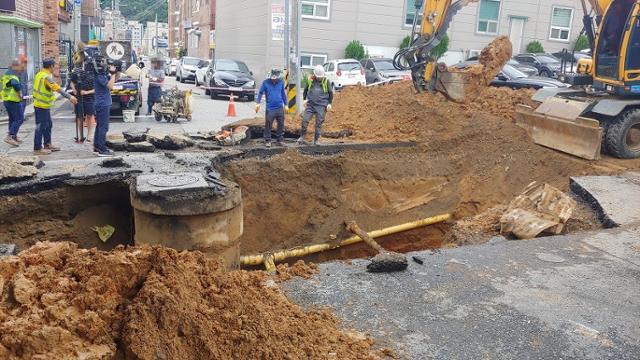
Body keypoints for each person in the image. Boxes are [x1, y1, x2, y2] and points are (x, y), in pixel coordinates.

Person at [32, 58, 77, 155]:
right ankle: (37, 148)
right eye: (55, 66)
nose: (55, 68)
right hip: (41, 105)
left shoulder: (39, 74)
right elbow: (56, 88)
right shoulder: (46, 77)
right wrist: (70, 97)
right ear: (51, 66)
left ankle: (48, 144)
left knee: (48, 125)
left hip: (42, 105)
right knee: (41, 127)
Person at [298, 65, 333, 145]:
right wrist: (304, 99)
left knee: (318, 123)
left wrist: (329, 103)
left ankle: (316, 140)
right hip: (310, 104)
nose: (319, 78)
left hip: (321, 105)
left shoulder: (326, 81)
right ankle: (302, 137)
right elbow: (305, 90)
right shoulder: (310, 80)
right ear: (315, 74)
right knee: (305, 120)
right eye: (318, 76)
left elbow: (330, 93)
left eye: (320, 76)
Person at [255, 68, 288, 147]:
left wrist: (286, 104)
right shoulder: (265, 83)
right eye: (273, 79)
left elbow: (283, 94)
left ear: (278, 77)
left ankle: (279, 139)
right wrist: (258, 103)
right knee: (268, 124)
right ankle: (267, 140)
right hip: (270, 108)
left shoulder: (280, 82)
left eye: (276, 79)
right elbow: (260, 93)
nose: (274, 80)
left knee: (281, 123)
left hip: (279, 107)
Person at [69, 53, 96, 143]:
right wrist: (75, 92)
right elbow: (72, 82)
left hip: (90, 97)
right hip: (79, 98)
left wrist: (86, 92)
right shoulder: (77, 71)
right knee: (79, 116)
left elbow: (97, 89)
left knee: (90, 115)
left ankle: (89, 135)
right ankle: (80, 135)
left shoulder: (94, 73)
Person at [93, 57, 116, 157]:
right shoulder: (99, 76)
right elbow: (110, 86)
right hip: (102, 103)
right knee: (103, 127)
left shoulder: (102, 75)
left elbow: (113, 81)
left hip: (103, 102)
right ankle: (102, 149)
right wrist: (113, 74)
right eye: (102, 62)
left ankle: (97, 145)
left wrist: (115, 72)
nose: (104, 64)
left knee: (99, 126)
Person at [2, 59, 26, 146]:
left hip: (6, 100)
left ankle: (13, 136)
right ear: (14, 66)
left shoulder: (6, 74)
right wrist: (20, 93)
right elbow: (15, 84)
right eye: (19, 66)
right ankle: (10, 136)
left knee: (12, 119)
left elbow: (8, 85)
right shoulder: (12, 74)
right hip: (13, 100)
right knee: (19, 118)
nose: (21, 68)